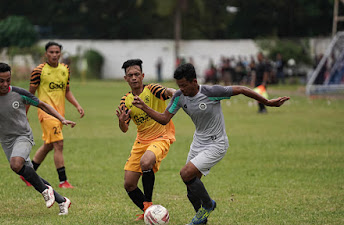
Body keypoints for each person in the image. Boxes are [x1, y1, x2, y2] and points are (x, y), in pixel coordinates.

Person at [132, 63, 290, 225]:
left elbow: (242, 89)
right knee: (191, 190)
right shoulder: (179, 96)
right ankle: (201, 219)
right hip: (198, 141)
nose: (182, 89)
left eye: (185, 85)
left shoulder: (211, 92)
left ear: (194, 81)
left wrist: (268, 102)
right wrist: (144, 107)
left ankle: (208, 204)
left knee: (186, 174)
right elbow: (164, 118)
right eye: (179, 86)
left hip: (217, 143)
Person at [0, 62, 74, 215]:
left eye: (8, 79)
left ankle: (45, 191)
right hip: (6, 143)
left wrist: (61, 119)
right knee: (29, 173)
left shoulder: (19, 93)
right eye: (1, 80)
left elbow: (42, 105)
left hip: (23, 136)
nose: (5, 84)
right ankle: (62, 201)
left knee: (16, 165)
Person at [115, 59, 176, 221]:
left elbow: (168, 92)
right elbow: (124, 129)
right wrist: (121, 121)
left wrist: (173, 91)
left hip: (161, 136)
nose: (134, 78)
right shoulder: (125, 101)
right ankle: (147, 212)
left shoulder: (153, 89)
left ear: (142, 75)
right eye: (130, 75)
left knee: (146, 162)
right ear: (125, 79)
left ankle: (148, 205)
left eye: (136, 74)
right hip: (141, 141)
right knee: (129, 184)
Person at [25, 41, 85, 189]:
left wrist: (77, 105)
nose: (54, 55)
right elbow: (29, 95)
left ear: (60, 54)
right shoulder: (38, 71)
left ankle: (27, 174)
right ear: (46, 54)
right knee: (59, 144)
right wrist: (23, 114)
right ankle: (63, 181)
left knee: (49, 145)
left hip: (60, 115)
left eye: (57, 52)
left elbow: (67, 91)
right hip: (45, 113)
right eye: (51, 52)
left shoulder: (65, 69)